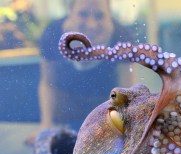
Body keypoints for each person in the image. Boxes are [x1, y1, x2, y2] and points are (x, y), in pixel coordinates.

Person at [25, 0, 135, 145]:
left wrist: (124, 129)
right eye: (82, 14)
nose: (91, 24)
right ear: (70, 12)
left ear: (109, 13)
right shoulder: (52, 33)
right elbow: (48, 83)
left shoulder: (122, 37)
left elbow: (125, 91)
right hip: (65, 109)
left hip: (104, 109)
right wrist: (46, 125)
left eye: (99, 15)